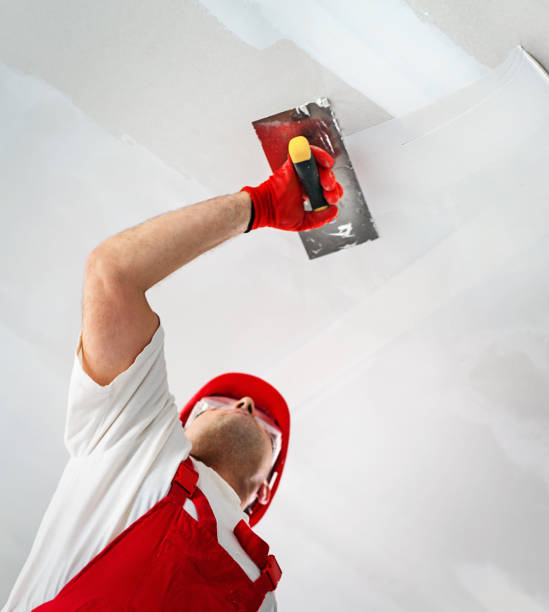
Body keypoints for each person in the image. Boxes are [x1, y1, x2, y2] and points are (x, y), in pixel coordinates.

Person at [2, 145, 343, 612]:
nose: (243, 405)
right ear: (180, 431)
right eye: (222, 402)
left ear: (262, 490)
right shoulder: (130, 442)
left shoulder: (261, 601)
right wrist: (257, 206)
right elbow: (113, 273)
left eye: (261, 418)